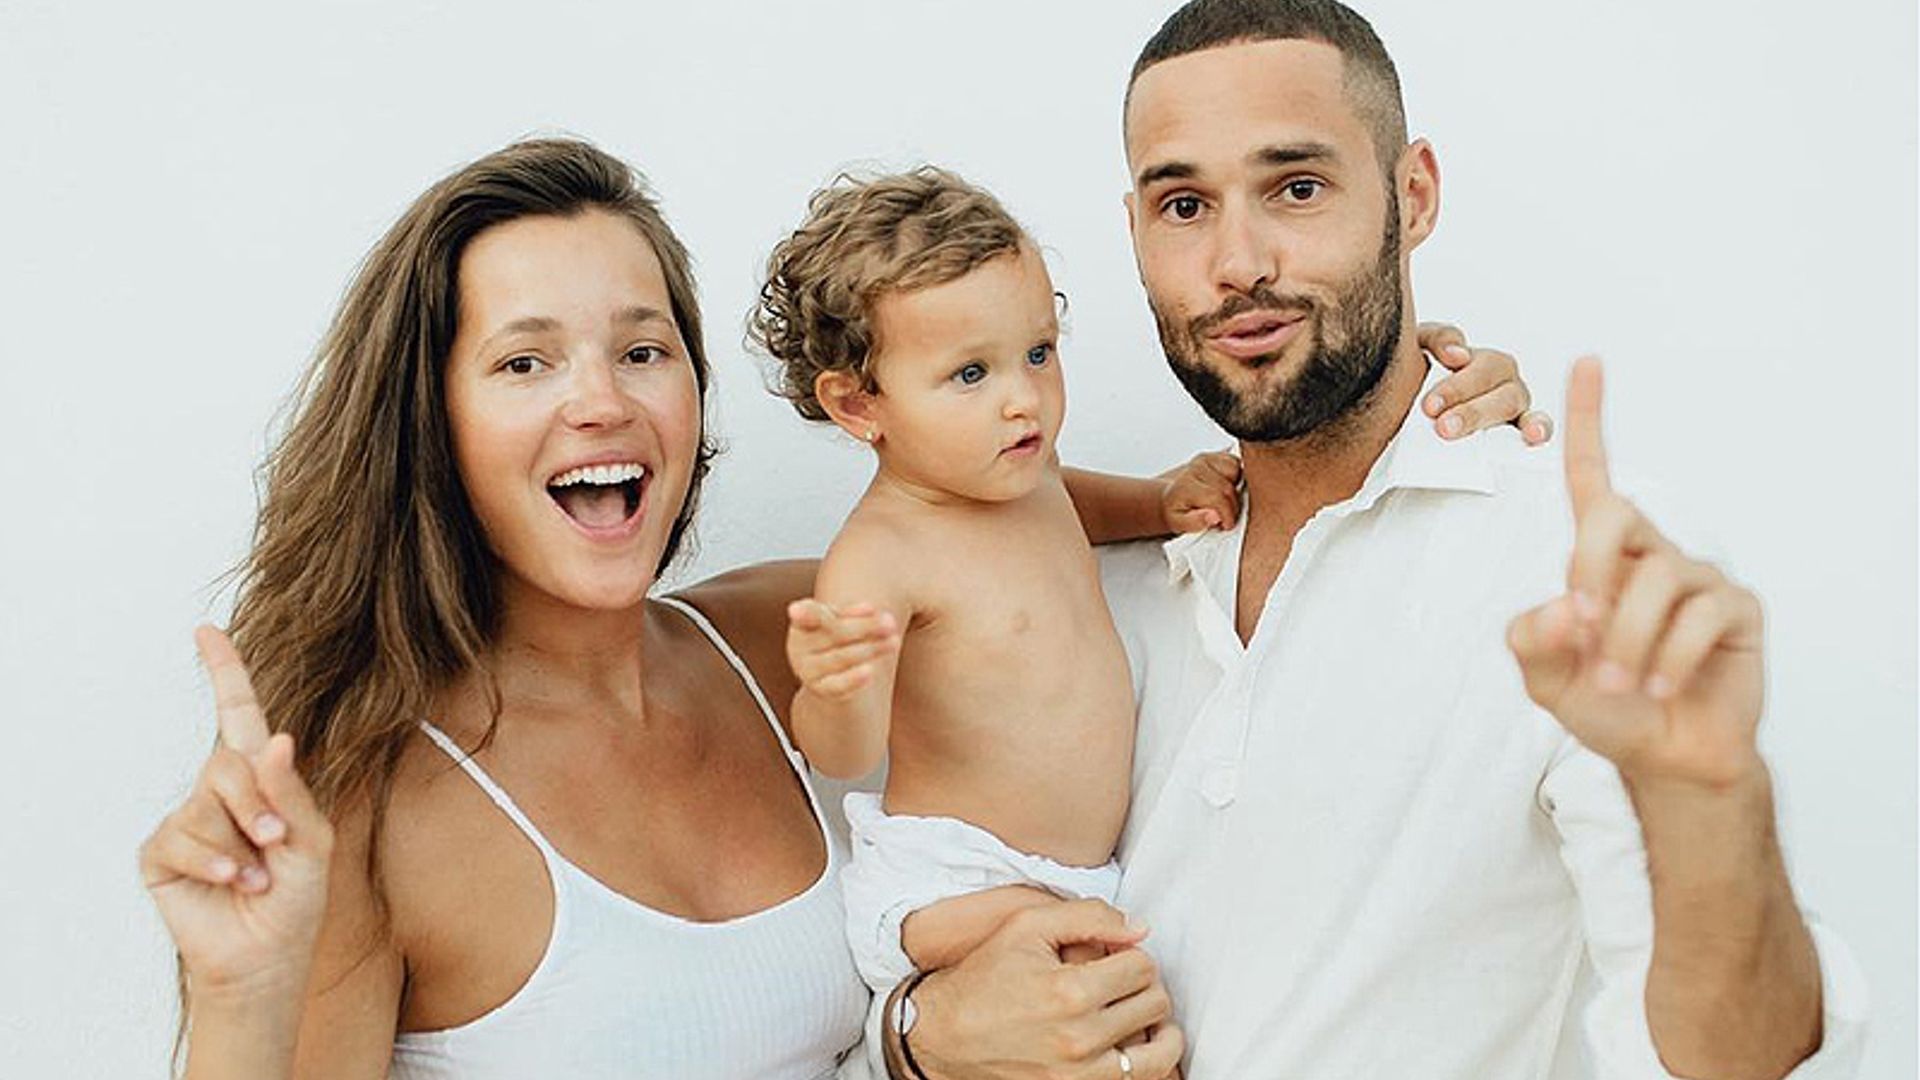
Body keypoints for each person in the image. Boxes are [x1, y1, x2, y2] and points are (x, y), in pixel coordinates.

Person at [136, 136, 1541, 1078]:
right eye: (522, 363)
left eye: (644, 346)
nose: (602, 398)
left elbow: (1072, 570)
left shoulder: (775, 638)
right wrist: (241, 998)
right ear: (427, 422)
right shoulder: (365, 802)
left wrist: (1425, 406)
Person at [880, 2, 1869, 1079]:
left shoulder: (1581, 562)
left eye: (1296, 188)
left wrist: (1710, 803)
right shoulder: (1074, 568)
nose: (1237, 262)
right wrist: (917, 1038)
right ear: (1135, 234)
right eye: (1183, 204)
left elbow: (1737, 1065)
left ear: (1414, 195)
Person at [754, 167, 1243, 1010]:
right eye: (971, 375)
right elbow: (841, 753)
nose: (1025, 400)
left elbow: (1073, 500)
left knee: (1119, 982)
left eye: (1038, 352)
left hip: (1078, 872)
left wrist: (1158, 502)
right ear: (858, 402)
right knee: (1106, 988)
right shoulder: (885, 552)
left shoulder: (1023, 470)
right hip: (953, 882)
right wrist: (837, 689)